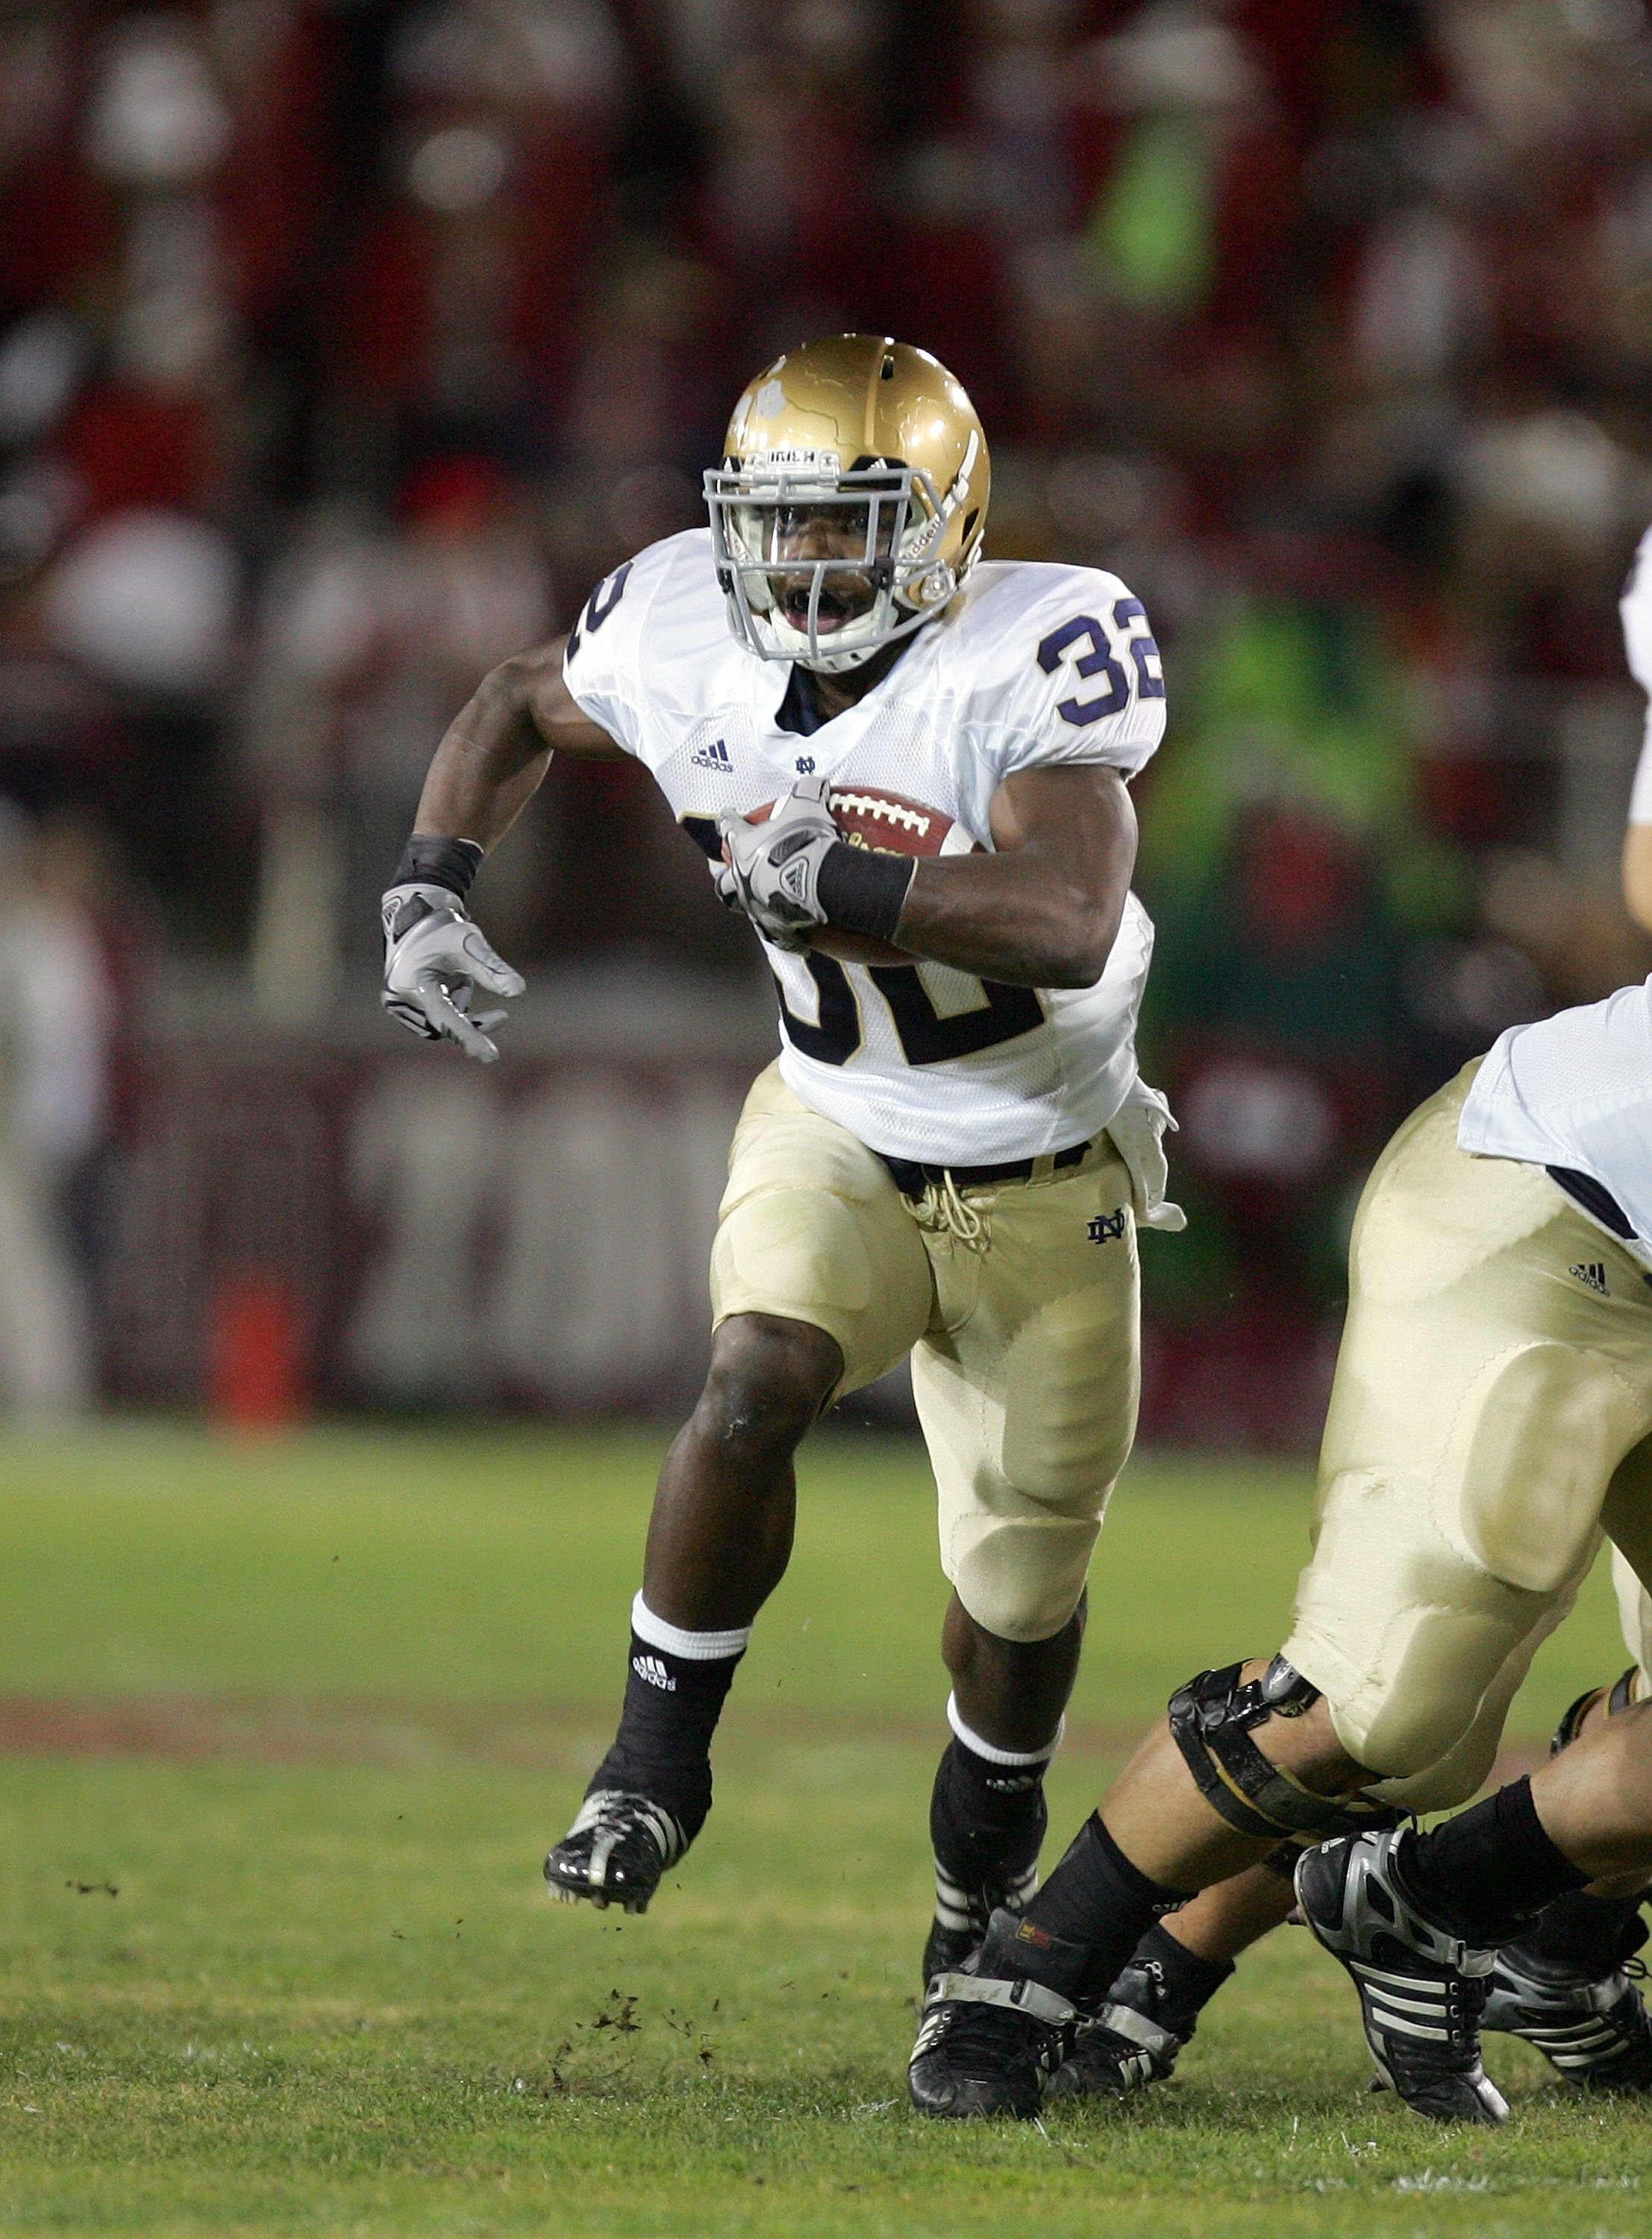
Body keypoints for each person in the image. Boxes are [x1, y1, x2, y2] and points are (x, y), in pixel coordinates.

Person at [378, 334, 1180, 1978]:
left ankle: (982, 1877)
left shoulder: (1029, 648)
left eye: (852, 523)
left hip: (1046, 1165)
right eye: (782, 522)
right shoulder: (679, 624)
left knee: (1019, 1601)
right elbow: (515, 701)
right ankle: (648, 1773)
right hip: (835, 1113)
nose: (808, 562)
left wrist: (858, 885)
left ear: (947, 525)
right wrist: (429, 883)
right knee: (752, 1374)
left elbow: (1075, 918)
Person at [906, 975, 1652, 2123]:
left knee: (1426, 1736)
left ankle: (1500, 1925)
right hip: (1543, 1212)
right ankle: (1028, 1967)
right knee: (1393, 1697)